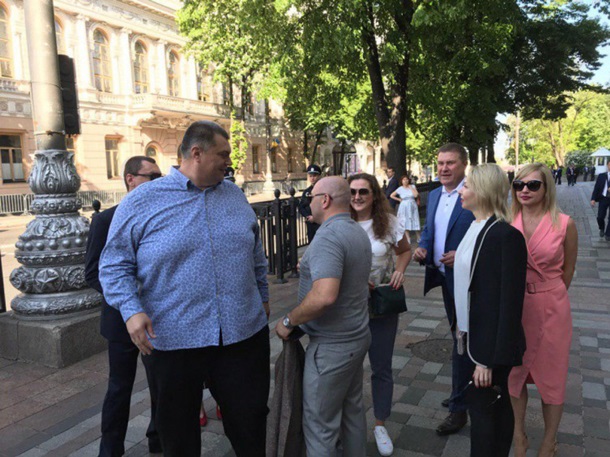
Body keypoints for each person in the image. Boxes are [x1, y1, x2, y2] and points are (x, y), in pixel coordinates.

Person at [99, 121, 271, 457]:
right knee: (178, 437)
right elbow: (113, 264)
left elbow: (256, 255)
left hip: (241, 335)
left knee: (251, 425)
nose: (229, 162)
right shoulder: (143, 201)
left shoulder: (234, 196)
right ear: (196, 153)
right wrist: (131, 310)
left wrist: (263, 297)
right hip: (174, 340)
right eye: (223, 154)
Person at [275, 176, 372, 457]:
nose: (309, 203)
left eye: (311, 198)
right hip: (356, 338)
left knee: (320, 428)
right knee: (352, 413)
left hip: (332, 347)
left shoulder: (328, 237)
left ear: (325, 200)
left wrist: (288, 321)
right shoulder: (355, 230)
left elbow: (324, 296)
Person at [85, 156, 163, 457]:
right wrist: (127, 301)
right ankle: (110, 449)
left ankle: (158, 438)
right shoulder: (105, 220)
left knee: (160, 384)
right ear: (131, 179)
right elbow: (93, 272)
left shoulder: (162, 215)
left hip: (158, 318)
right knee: (119, 388)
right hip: (120, 321)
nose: (158, 182)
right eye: (152, 177)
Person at [454, 163, 527, 457]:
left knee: (487, 415)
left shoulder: (504, 235)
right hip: (472, 339)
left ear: (482, 191)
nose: (461, 190)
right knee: (483, 410)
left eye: (466, 185)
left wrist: (487, 360)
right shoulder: (475, 227)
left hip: (488, 348)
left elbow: (508, 304)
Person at [508, 163, 578, 457]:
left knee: (553, 376)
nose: (524, 190)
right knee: (515, 374)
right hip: (515, 307)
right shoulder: (508, 221)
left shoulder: (565, 224)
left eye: (533, 185)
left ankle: (549, 441)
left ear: (546, 187)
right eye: (518, 184)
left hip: (551, 308)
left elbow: (568, 271)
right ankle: (518, 435)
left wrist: (547, 292)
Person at [412, 143, 475, 435]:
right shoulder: (436, 194)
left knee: (463, 341)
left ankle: (460, 407)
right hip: (443, 278)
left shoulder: (474, 193)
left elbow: (487, 232)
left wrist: (462, 255)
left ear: (464, 165)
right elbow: (429, 230)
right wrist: (423, 247)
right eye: (440, 163)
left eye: (450, 163)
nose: (443, 168)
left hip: (467, 282)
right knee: (459, 339)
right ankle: (462, 394)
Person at [348, 173, 412, 456]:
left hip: (380, 304)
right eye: (352, 192)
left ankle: (380, 423)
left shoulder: (388, 222)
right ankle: (348, 425)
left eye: (363, 191)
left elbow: (404, 250)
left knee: (381, 366)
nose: (357, 197)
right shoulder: (341, 222)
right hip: (348, 307)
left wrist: (399, 270)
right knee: (347, 368)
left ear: (374, 194)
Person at [390, 175, 421, 243]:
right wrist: (399, 199)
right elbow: (391, 195)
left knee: (415, 219)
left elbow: (416, 195)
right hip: (404, 205)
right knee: (405, 221)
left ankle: (418, 237)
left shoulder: (412, 186)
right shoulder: (400, 189)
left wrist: (411, 188)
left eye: (406, 179)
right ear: (401, 181)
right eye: (404, 179)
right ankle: (408, 238)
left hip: (412, 205)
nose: (405, 181)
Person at [298, 164, 322, 242]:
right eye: (310, 176)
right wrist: (307, 216)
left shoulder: (324, 190)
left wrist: (316, 217)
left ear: (319, 176)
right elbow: (301, 207)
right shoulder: (307, 192)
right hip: (310, 224)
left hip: (321, 224)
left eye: (314, 176)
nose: (312, 178)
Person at [591, 160, 610, 241]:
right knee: (600, 217)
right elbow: (596, 188)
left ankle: (608, 234)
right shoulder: (601, 176)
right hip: (603, 198)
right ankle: (602, 228)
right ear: (607, 165)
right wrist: (593, 199)